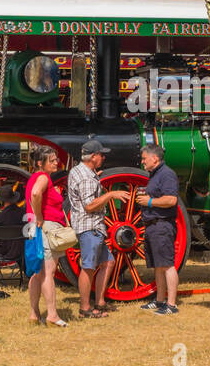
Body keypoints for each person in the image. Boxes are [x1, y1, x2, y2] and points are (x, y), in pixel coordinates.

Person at [66, 139, 131, 318]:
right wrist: (111, 194)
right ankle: (85, 308)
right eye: (101, 154)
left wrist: (96, 180)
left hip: (92, 227)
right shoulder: (87, 177)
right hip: (90, 227)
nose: (103, 157)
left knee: (108, 262)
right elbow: (90, 205)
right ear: (93, 157)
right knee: (88, 268)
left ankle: (100, 301)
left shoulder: (79, 171)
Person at [135, 142, 180, 315]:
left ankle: (172, 305)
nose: (142, 162)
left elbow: (171, 200)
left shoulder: (167, 174)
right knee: (158, 266)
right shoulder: (154, 174)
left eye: (144, 159)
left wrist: (150, 202)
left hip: (162, 224)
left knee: (167, 265)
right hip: (153, 225)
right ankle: (160, 300)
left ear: (155, 158)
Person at [25, 146, 66, 327]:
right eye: (52, 160)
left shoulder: (34, 178)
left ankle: (34, 314)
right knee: (48, 272)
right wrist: (40, 216)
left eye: (56, 159)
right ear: (40, 163)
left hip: (33, 227)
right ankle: (52, 315)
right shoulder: (42, 177)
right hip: (45, 227)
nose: (56, 162)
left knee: (37, 272)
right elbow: (36, 194)